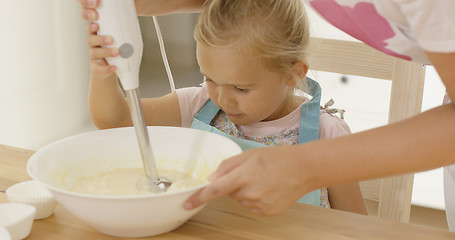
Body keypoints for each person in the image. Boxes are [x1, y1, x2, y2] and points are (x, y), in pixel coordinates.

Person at [78, 0, 455, 228]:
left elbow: (352, 226)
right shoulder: (198, 105)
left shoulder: (326, 132)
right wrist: (103, 73)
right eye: (209, 78)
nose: (224, 98)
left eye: (242, 88)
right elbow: (116, 120)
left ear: (293, 73)